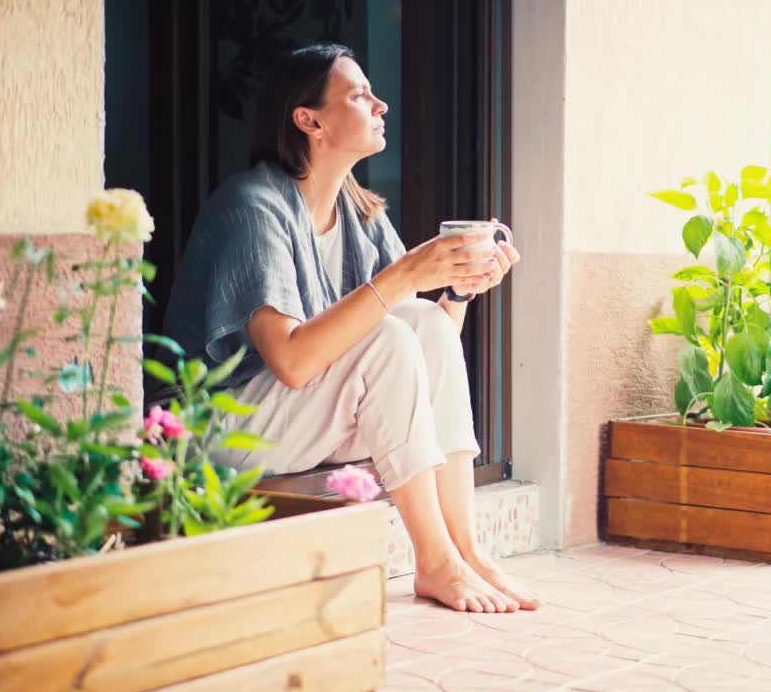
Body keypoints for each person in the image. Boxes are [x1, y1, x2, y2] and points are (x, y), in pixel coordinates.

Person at [161, 43, 536, 614]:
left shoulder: (361, 214)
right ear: (309, 120)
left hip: (295, 422)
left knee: (422, 325)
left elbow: (422, 352)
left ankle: (465, 550)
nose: (381, 104)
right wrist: (410, 270)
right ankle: (433, 562)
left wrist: (459, 290)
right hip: (216, 426)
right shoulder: (251, 205)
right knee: (391, 328)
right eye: (361, 94)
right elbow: (290, 362)